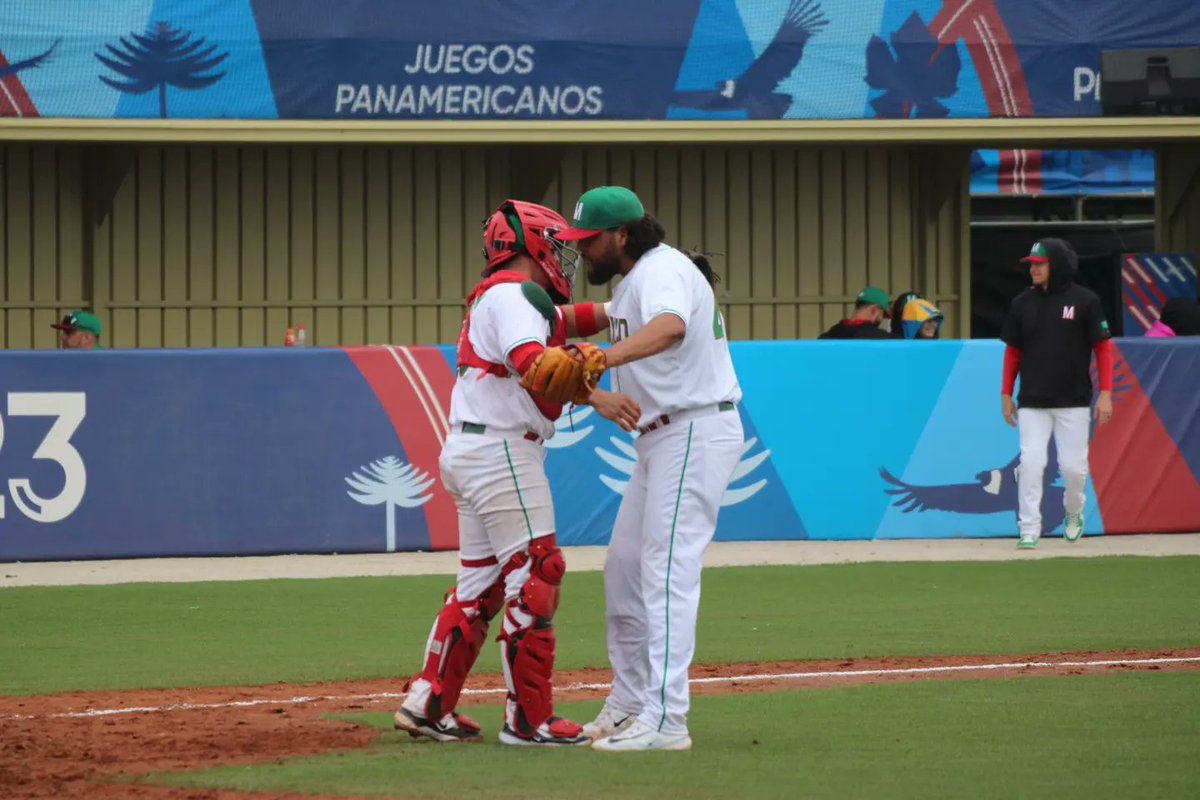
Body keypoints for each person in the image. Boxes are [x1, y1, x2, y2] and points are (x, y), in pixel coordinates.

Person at [393, 199, 639, 746]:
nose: (563, 255)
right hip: (502, 450)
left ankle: (428, 702)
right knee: (538, 572)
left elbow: (561, 322)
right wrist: (595, 383)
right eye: (554, 244)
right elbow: (538, 367)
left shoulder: (505, 295)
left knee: (480, 588)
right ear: (529, 244)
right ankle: (529, 719)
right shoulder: (513, 295)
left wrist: (623, 308)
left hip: (472, 448)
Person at [542, 186, 744, 752]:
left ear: (622, 236)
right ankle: (631, 701)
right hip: (662, 439)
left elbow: (670, 327)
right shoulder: (636, 281)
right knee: (625, 569)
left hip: (693, 429)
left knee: (664, 573)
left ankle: (666, 720)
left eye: (590, 241)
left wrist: (602, 357)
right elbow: (600, 316)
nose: (583, 252)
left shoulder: (660, 269)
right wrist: (520, 309)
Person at [1000, 238, 1113, 549]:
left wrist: (1106, 393)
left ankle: (1074, 513)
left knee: (1074, 468)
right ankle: (1029, 527)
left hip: (1073, 401)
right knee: (1031, 463)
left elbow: (1102, 349)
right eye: (1031, 265)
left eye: (1039, 264)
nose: (1033, 269)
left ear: (1058, 266)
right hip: (1032, 401)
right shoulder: (1021, 303)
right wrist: (1006, 393)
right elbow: (1012, 352)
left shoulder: (1086, 301)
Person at [818, 286, 892, 339]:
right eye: (882, 315)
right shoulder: (879, 338)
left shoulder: (830, 334)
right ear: (874, 310)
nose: (882, 319)